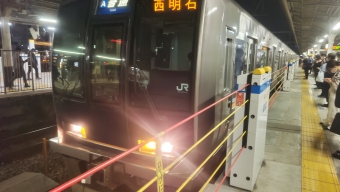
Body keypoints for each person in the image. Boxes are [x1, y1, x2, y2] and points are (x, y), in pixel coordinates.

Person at [320, 60, 340, 130]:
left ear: (334, 66)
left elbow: (337, 87)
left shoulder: (339, 73)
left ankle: (330, 125)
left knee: (333, 110)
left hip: (335, 95)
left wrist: (330, 82)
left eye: (330, 69)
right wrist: (330, 80)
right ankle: (327, 123)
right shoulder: (337, 72)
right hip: (333, 94)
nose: (331, 71)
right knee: (331, 109)